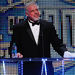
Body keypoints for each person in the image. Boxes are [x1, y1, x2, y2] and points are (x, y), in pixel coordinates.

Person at [9, 1, 75, 75]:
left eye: (37, 10)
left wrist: (65, 53)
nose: (36, 12)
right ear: (27, 14)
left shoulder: (47, 26)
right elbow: (14, 46)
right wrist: (16, 54)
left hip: (46, 68)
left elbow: (57, 43)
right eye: (32, 11)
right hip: (27, 69)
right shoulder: (19, 28)